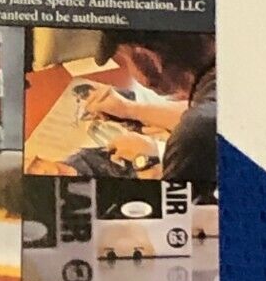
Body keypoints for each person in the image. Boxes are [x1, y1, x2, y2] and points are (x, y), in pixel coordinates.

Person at [82, 30, 216, 183]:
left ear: (148, 59)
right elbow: (201, 114)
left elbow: (170, 197)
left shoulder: (194, 135)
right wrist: (128, 109)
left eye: (125, 59)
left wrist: (148, 161)